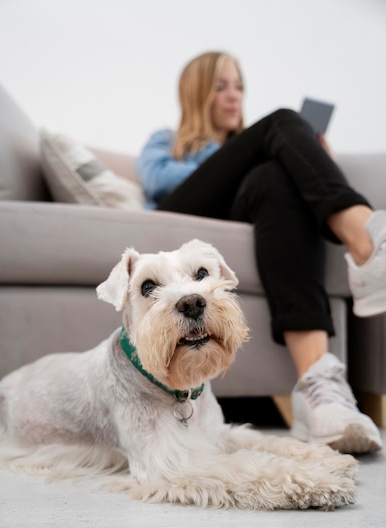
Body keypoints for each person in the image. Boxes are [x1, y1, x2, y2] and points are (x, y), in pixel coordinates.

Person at [136, 50, 385, 454]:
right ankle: (369, 244)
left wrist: (308, 158)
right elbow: (156, 177)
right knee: (283, 122)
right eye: (221, 87)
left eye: (239, 86)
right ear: (197, 94)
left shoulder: (257, 161)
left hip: (243, 206)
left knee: (273, 178)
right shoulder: (166, 141)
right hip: (181, 214)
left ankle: (317, 388)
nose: (234, 96)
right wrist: (234, 157)